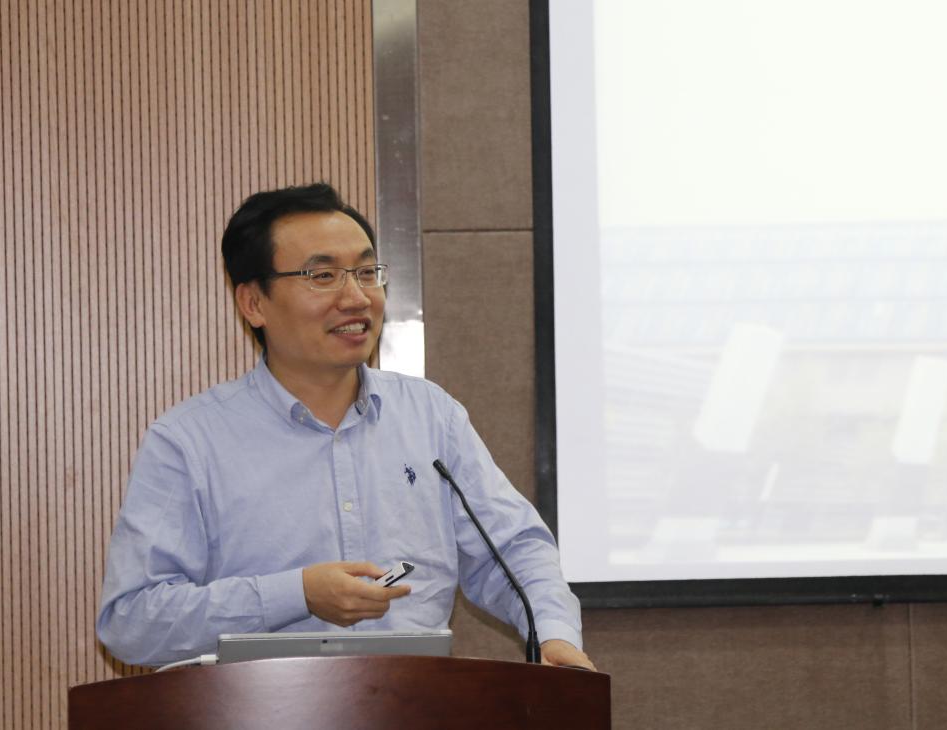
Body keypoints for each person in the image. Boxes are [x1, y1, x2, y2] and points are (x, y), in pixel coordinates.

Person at [96, 183, 594, 671]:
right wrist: (296, 594)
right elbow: (132, 621)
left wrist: (552, 634)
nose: (356, 297)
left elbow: (513, 550)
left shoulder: (431, 416)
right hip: (258, 708)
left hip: (416, 705)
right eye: (322, 276)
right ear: (253, 304)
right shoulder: (188, 441)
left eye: (366, 272)